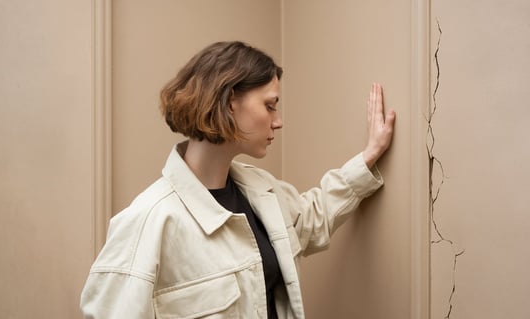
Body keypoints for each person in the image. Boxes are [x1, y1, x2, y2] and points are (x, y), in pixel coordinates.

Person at [80, 41, 395, 319]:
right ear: (230, 101)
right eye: (270, 105)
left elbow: (311, 219)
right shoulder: (149, 221)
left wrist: (369, 155)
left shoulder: (262, 192)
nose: (279, 120)